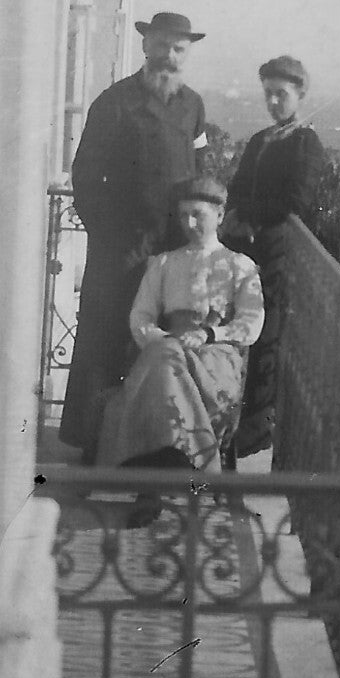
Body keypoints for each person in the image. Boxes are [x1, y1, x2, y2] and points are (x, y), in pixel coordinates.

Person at [59, 11, 210, 459]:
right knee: (105, 337)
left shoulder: (193, 106)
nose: (169, 55)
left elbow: (200, 172)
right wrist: (107, 233)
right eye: (161, 45)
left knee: (162, 345)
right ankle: (92, 445)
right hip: (120, 249)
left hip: (172, 250)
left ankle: (153, 450)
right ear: (145, 47)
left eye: (178, 48)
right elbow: (84, 176)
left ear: (187, 54)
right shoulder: (115, 102)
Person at [94, 176, 264, 490]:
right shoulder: (164, 264)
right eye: (183, 214)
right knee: (165, 358)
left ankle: (152, 481)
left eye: (197, 214)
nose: (188, 222)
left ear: (220, 216)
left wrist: (211, 335)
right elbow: (141, 316)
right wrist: (162, 338)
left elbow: (250, 325)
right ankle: (178, 468)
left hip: (215, 360)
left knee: (161, 369)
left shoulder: (239, 266)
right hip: (167, 349)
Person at [221, 55, 326, 459]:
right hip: (247, 251)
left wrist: (249, 215)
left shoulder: (305, 143)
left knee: (267, 337)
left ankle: (252, 434)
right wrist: (236, 213)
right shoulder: (262, 140)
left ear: (300, 95)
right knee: (240, 331)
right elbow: (238, 186)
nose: (274, 102)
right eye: (268, 94)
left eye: (281, 94)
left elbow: (296, 200)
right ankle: (228, 422)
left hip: (278, 256)